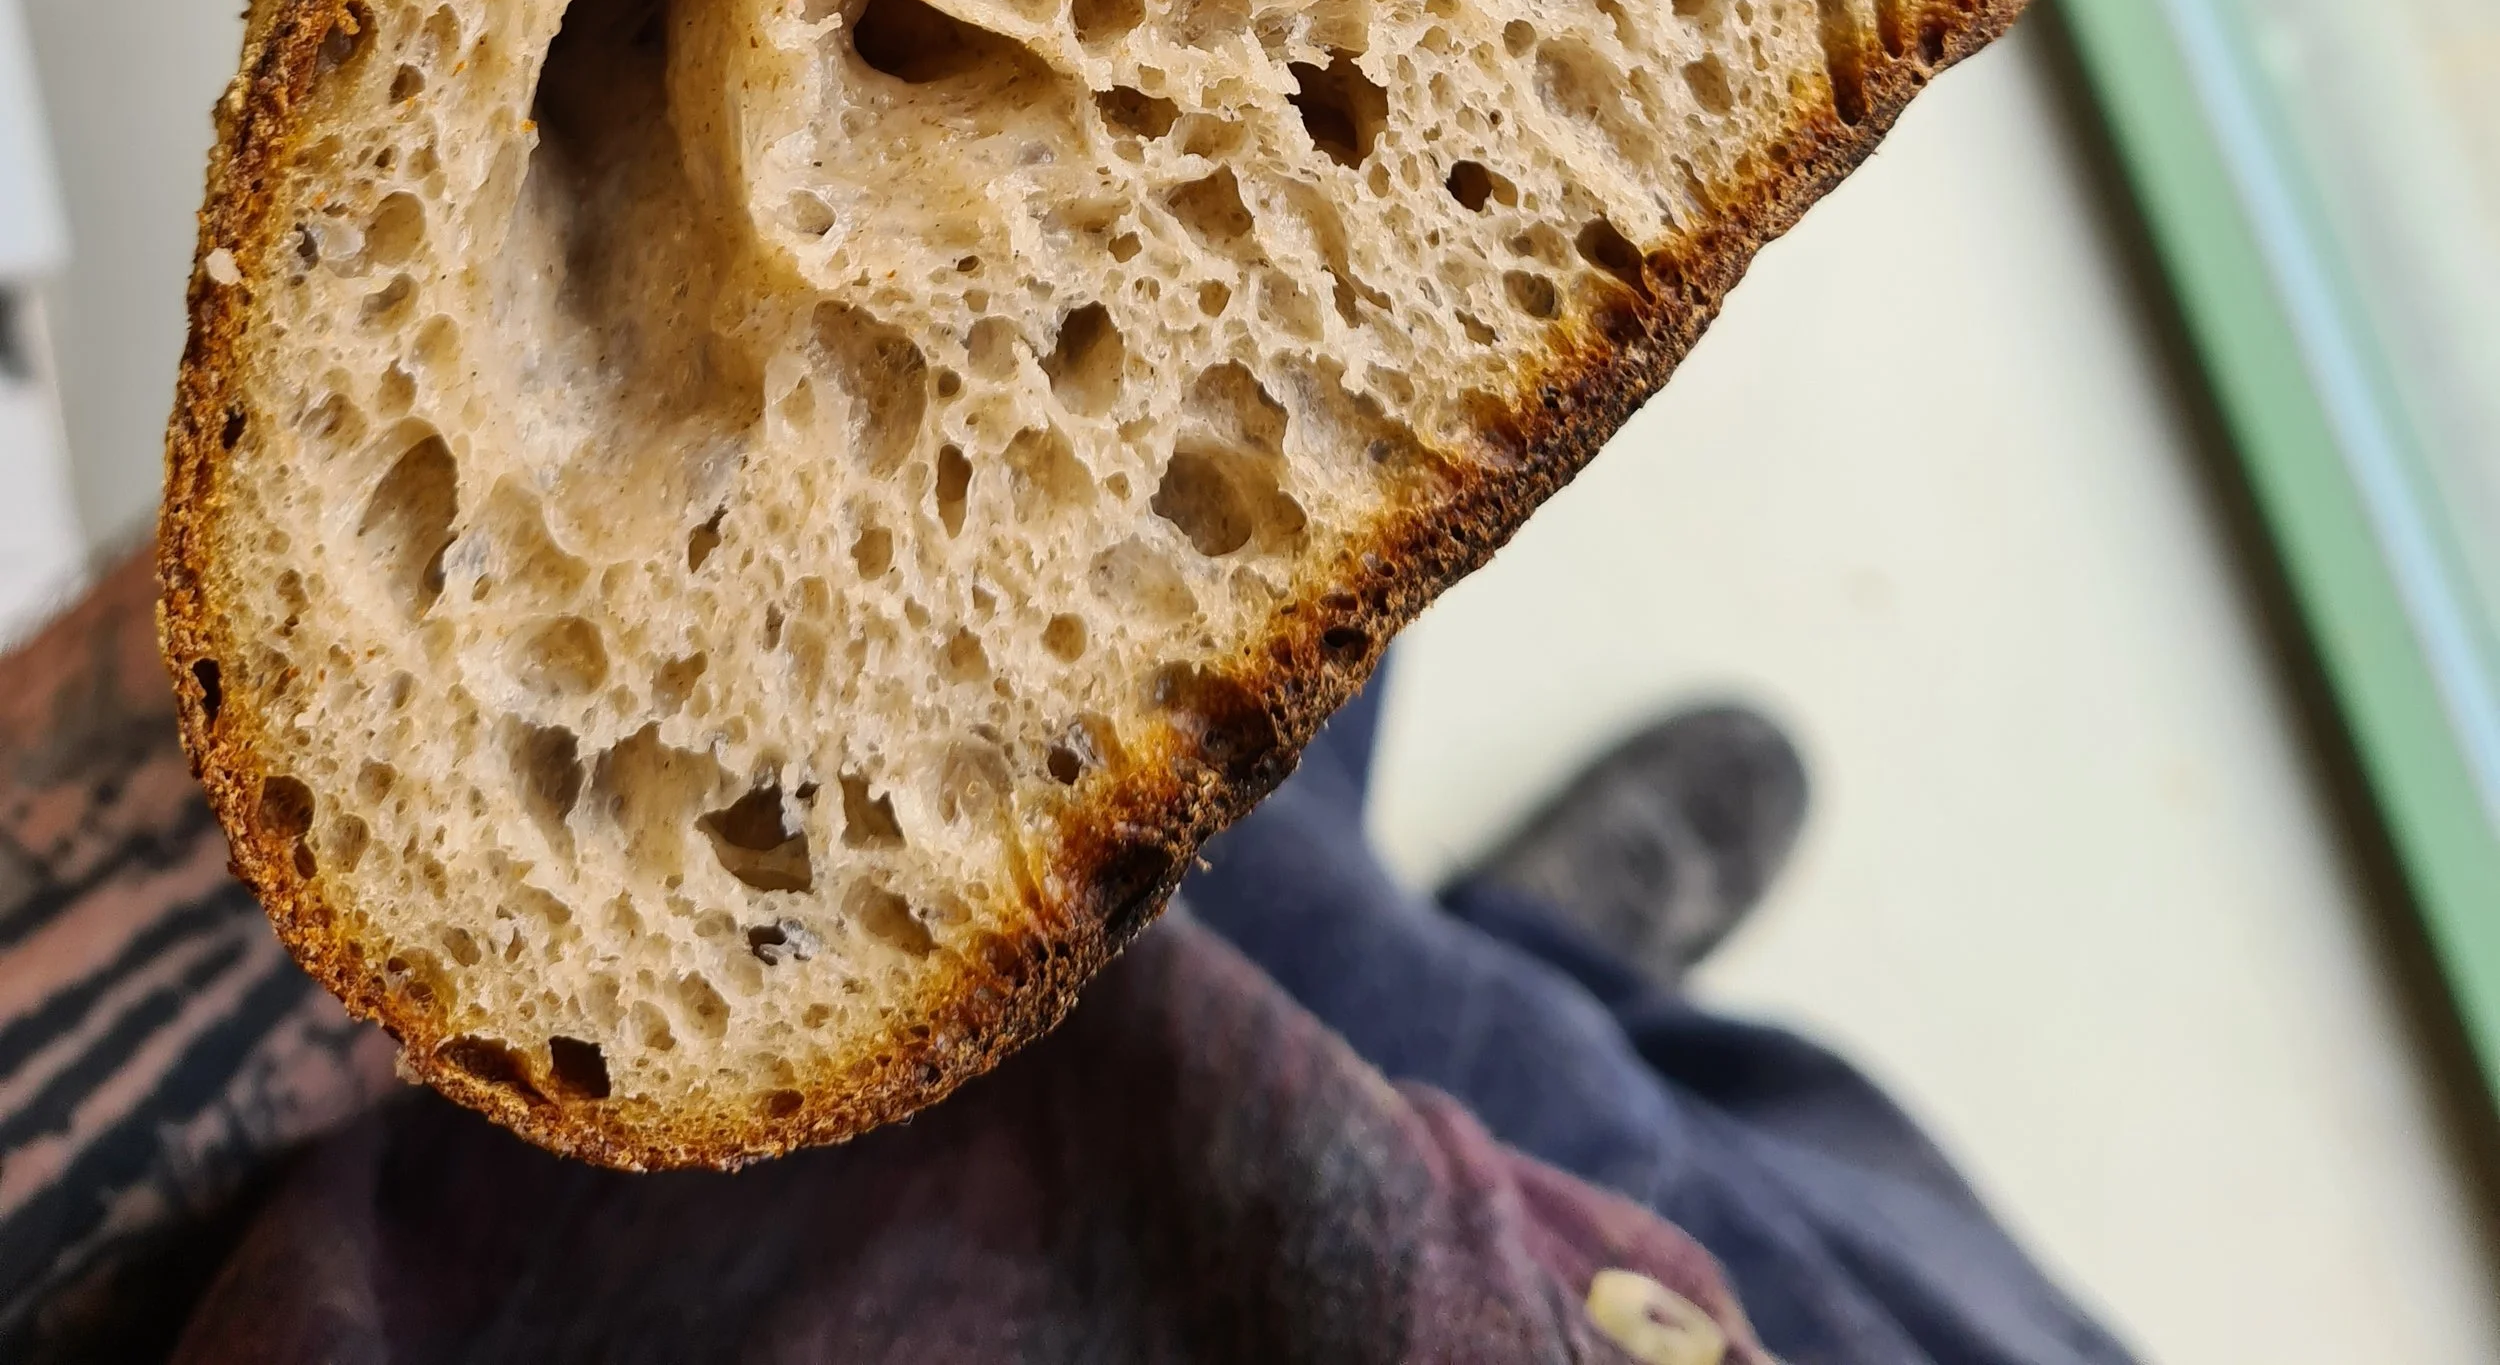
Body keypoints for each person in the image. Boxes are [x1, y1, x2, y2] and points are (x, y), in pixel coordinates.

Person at [0, 549, 2131, 1364]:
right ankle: (1516, 973)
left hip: (757, 1200)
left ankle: (1429, 948)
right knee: (1848, 1204)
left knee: (1198, 741)